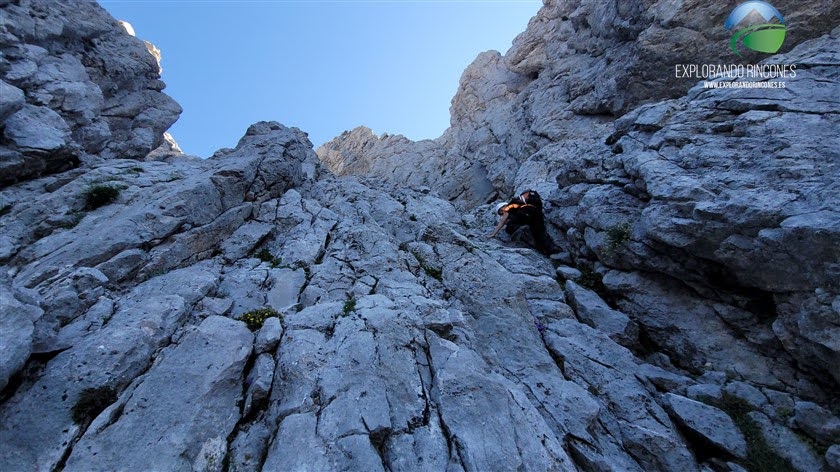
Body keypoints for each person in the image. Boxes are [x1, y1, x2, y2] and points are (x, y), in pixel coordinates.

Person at [487, 190, 555, 255]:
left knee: (509, 226)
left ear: (503, 206)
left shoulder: (508, 208)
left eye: (501, 211)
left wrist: (493, 234)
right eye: (501, 213)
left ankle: (541, 248)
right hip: (536, 214)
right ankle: (551, 249)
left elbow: (502, 222)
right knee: (540, 233)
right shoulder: (523, 204)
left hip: (525, 217)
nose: (502, 213)